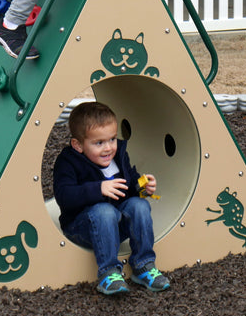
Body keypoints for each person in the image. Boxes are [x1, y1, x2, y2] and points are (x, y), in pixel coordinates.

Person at [52, 101, 171, 296]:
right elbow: (65, 196)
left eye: (112, 139)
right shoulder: (68, 162)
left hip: (114, 226)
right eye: (99, 143)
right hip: (82, 227)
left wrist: (141, 186)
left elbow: (129, 185)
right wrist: (98, 189)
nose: (108, 148)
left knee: (139, 205)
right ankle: (109, 272)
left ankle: (144, 265)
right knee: (104, 211)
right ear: (78, 145)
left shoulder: (117, 157)